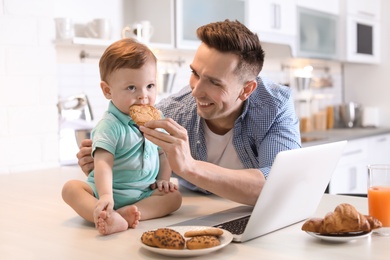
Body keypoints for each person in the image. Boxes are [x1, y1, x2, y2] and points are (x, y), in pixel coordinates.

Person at [77, 20, 301, 207]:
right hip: (200, 213)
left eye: (214, 82)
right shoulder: (171, 112)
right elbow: (141, 170)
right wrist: (111, 163)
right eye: (195, 73)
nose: (196, 90)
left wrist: (190, 167)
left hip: (255, 218)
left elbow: (281, 186)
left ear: (246, 89)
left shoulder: (275, 107)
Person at [62, 38, 182, 236]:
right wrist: (106, 195)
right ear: (107, 90)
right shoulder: (110, 125)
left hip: (143, 192)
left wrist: (163, 179)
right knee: (71, 189)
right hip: (107, 191)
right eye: (132, 88)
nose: (144, 96)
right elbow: (103, 164)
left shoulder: (157, 119)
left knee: (174, 197)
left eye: (150, 86)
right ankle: (103, 211)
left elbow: (163, 153)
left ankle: (130, 214)